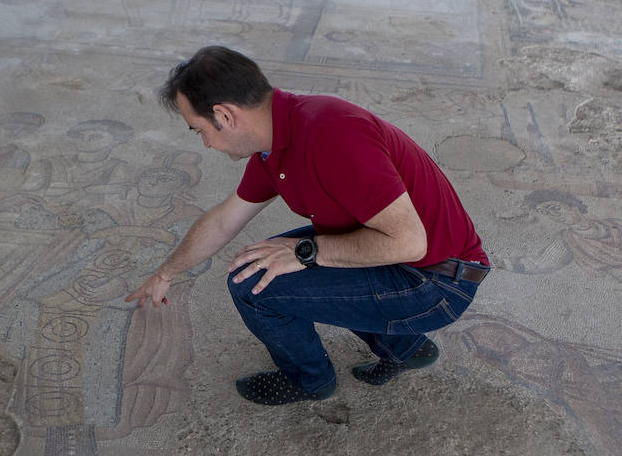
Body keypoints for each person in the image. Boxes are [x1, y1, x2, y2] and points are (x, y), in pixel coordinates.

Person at [125, 46, 490, 405]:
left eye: (199, 130)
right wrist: (166, 273)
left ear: (225, 115)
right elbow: (224, 219)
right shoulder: (279, 138)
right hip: (407, 260)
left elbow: (409, 243)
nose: (204, 143)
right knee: (267, 262)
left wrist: (307, 253)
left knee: (254, 285)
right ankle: (408, 349)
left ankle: (309, 381)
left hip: (438, 282)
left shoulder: (331, 135)